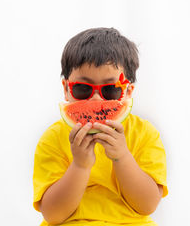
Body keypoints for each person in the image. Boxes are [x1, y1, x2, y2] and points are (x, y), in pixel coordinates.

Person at [33, 27, 168, 226]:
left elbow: (147, 205)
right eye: (82, 89)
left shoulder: (145, 135)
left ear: (128, 92)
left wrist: (122, 156)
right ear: (66, 88)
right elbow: (53, 214)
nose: (96, 100)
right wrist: (80, 165)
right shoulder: (53, 138)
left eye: (110, 90)